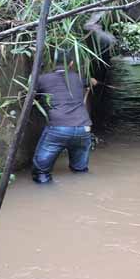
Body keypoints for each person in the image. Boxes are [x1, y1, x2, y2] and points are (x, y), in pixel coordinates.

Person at [32, 52, 98, 184]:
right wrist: (91, 81)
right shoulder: (79, 78)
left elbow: (33, 96)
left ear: (52, 63)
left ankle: (46, 193)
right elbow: (92, 81)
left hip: (58, 128)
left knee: (41, 172)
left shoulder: (42, 79)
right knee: (80, 170)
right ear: (71, 63)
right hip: (83, 128)